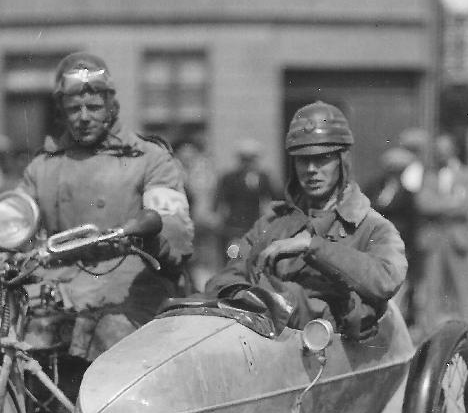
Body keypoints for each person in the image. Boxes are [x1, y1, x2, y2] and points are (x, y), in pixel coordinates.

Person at [17, 51, 193, 370]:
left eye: (94, 107)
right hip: (57, 284)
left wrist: (152, 233)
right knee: (8, 335)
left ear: (111, 107)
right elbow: (13, 218)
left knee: (113, 340)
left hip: (131, 284)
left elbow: (175, 230)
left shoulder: (148, 159)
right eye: (74, 109)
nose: (83, 117)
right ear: (61, 112)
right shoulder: (43, 167)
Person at [204, 101, 407, 340]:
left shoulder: (372, 227)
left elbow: (386, 279)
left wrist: (313, 246)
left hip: (334, 350)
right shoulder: (272, 224)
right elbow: (227, 276)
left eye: (322, 159)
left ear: (342, 161)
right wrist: (248, 296)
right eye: (303, 159)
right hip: (268, 346)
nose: (311, 169)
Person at [414, 133, 468, 328]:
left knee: (464, 288)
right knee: (432, 289)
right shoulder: (429, 175)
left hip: (457, 239)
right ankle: (429, 333)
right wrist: (450, 202)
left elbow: (466, 205)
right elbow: (423, 203)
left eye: (445, 150)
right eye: (438, 150)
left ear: (453, 150)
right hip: (434, 239)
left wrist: (439, 203)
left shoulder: (465, 174)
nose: (441, 154)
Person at [364, 146, 419, 325]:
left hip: (397, 247)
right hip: (374, 246)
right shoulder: (374, 187)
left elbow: (411, 225)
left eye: (398, 170)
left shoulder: (408, 194)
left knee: (397, 291)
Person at [214, 139, 275, 259]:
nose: (248, 163)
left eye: (251, 159)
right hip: (233, 227)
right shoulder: (229, 177)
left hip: (255, 224)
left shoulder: (263, 177)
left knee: (254, 258)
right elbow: (219, 199)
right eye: (245, 159)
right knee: (233, 257)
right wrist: (217, 216)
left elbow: (275, 196)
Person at [175, 137, 221, 290]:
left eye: (191, 152)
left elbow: (212, 194)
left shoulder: (204, 170)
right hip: (182, 223)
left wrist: (214, 214)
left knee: (205, 259)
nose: (187, 155)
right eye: (184, 152)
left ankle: (205, 288)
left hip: (203, 221)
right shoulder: (173, 171)